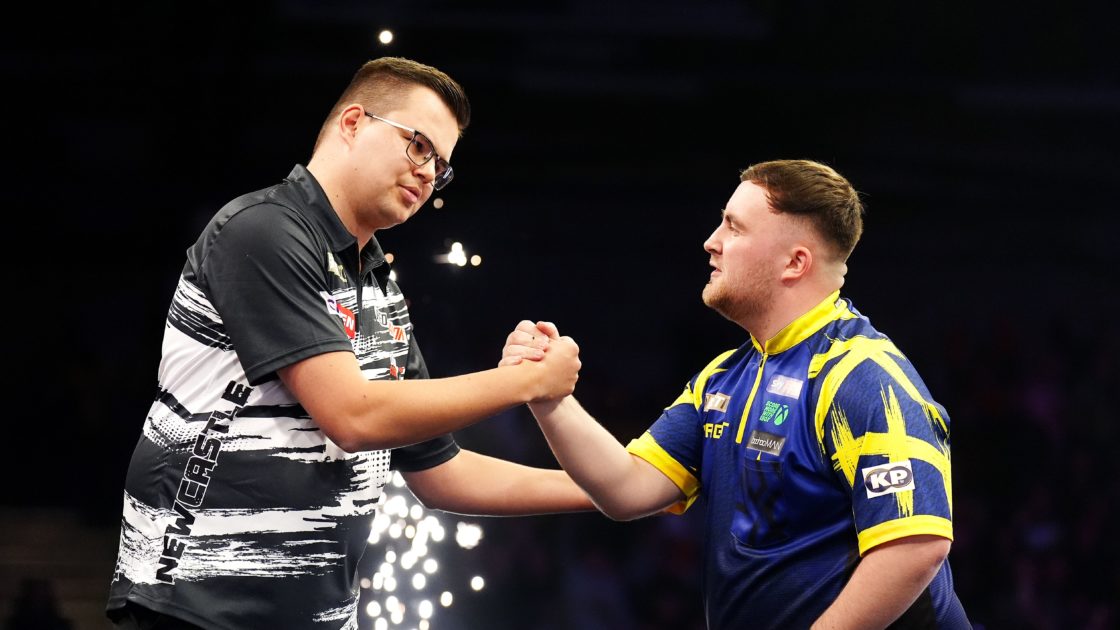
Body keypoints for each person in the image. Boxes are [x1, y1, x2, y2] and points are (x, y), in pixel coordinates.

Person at [106, 57, 592, 630]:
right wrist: (524, 383)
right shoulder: (263, 229)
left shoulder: (379, 286)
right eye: (419, 146)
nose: (428, 174)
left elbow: (444, 474)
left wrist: (609, 487)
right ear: (354, 122)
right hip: (198, 606)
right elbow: (352, 416)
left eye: (441, 166)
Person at [503, 159, 971, 629]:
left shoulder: (862, 375)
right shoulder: (724, 377)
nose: (712, 242)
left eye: (734, 227)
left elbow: (915, 546)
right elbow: (627, 488)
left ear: (795, 262)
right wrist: (547, 395)